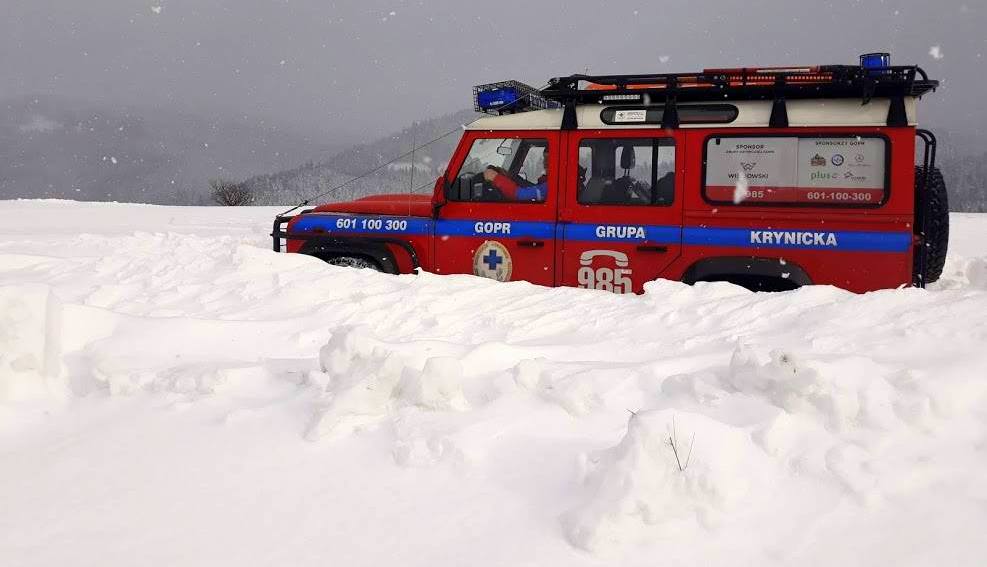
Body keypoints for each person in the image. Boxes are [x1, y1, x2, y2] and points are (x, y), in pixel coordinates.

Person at [482, 147, 548, 202]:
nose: (545, 164)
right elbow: (528, 187)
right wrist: (510, 177)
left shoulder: (551, 186)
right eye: (545, 159)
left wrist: (496, 178)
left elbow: (519, 195)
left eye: (548, 160)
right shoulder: (545, 182)